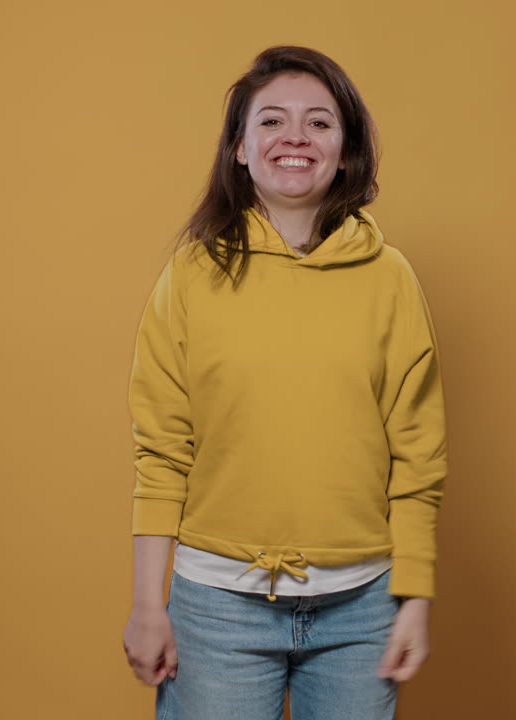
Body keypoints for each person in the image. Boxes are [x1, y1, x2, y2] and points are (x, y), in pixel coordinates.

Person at [122, 45, 449, 720]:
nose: (295, 136)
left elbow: (419, 455)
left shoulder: (390, 280)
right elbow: (161, 451)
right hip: (216, 609)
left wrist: (414, 599)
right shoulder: (190, 276)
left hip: (362, 613)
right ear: (240, 149)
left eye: (319, 122)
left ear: (345, 150)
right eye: (271, 121)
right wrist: (147, 605)